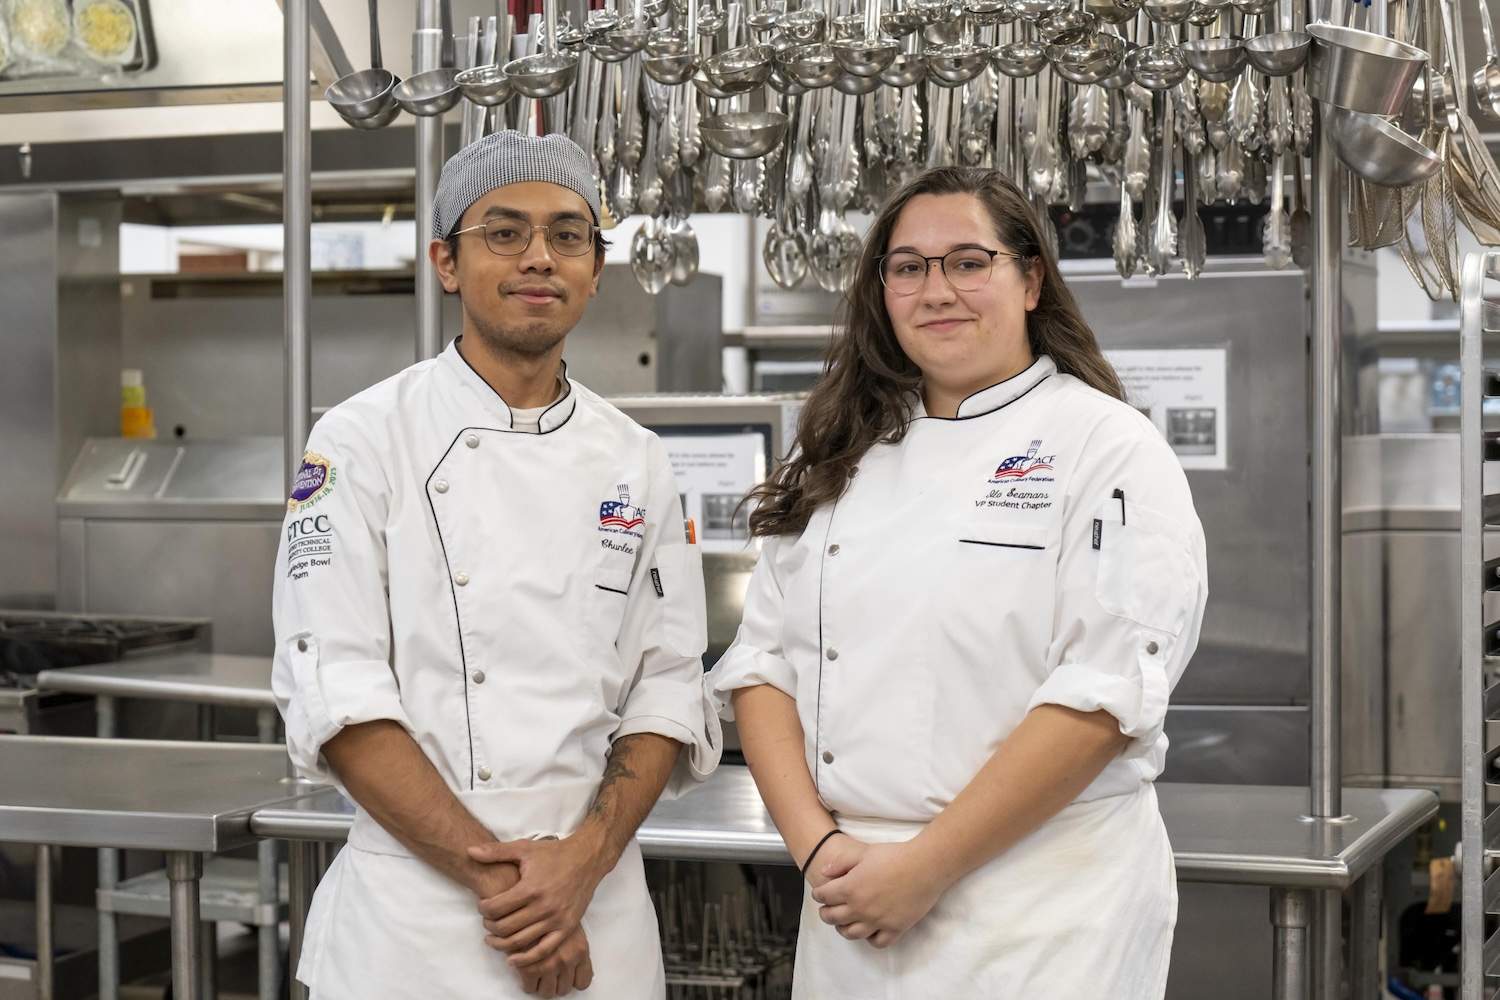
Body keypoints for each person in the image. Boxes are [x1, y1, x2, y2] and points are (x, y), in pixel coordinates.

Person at [707, 165, 1208, 999]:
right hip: (851, 900)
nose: (936, 290)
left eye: (968, 262)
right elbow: (762, 669)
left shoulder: (1107, 447)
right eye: (908, 267)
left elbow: (1102, 699)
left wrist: (926, 868)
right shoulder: (842, 455)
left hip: (1042, 905)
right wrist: (821, 852)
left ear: (1031, 280)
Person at [271, 130, 720, 999]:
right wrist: (512, 894)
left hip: (598, 915)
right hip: (417, 935)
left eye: (568, 234)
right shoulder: (360, 442)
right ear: (446, 261)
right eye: (504, 233)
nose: (539, 258)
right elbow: (340, 691)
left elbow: (668, 685)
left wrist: (580, 867)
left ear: (596, 266)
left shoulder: (638, 459)